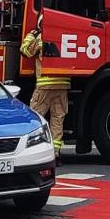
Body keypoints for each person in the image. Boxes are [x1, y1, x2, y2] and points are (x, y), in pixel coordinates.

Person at [19, 24, 68, 161]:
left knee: (35, 117)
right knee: (58, 119)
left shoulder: (41, 37)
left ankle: (32, 149)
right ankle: (55, 152)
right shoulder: (65, 36)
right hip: (62, 85)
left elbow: (25, 51)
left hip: (45, 85)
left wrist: (31, 35)